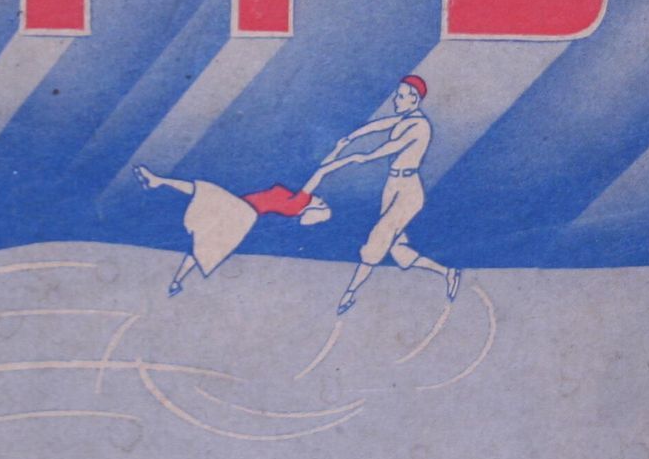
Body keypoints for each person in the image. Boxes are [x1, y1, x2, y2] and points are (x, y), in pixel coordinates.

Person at [321, 74, 459, 316]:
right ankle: (448, 272)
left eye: (401, 96)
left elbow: (394, 146)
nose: (396, 99)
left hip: (408, 190)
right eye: (397, 95)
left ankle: (349, 294)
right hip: (393, 185)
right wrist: (352, 137)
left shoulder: (420, 126)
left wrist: (364, 156)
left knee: (377, 239)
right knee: (398, 250)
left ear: (414, 99)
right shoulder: (404, 119)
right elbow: (379, 125)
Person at [133, 168, 332, 295]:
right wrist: (340, 148)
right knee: (205, 243)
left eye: (322, 203)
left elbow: (322, 171)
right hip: (242, 212)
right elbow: (324, 166)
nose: (321, 199)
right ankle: (176, 282)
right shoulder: (299, 203)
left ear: (315, 209)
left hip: (243, 211)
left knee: (206, 193)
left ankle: (158, 180)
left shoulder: (300, 202)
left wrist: (347, 158)